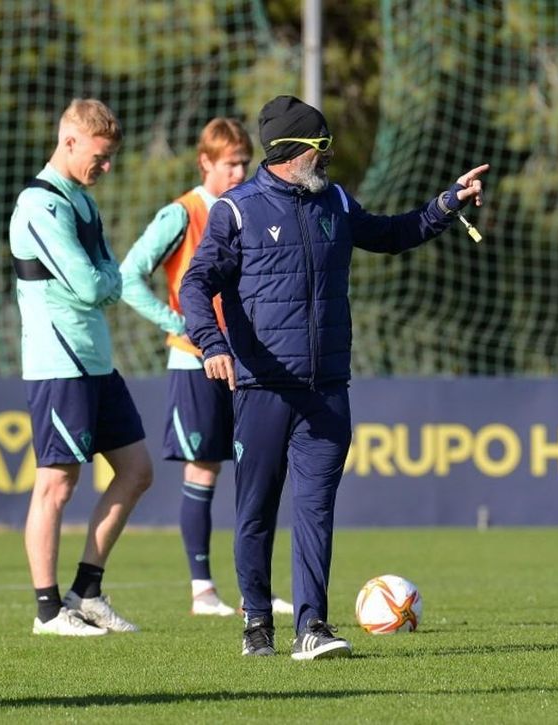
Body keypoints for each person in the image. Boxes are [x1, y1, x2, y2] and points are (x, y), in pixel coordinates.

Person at [180, 95, 488, 659]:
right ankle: (256, 626)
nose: (327, 158)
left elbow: (395, 233)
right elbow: (195, 285)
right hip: (262, 390)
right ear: (291, 151)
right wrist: (211, 344)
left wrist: (447, 204)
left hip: (327, 392)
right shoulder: (236, 210)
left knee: (316, 513)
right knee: (255, 514)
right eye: (320, 148)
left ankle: (312, 627)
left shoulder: (337, 202)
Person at [119, 118, 294, 618]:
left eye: (244, 161)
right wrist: (179, 323)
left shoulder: (252, 208)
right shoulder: (182, 214)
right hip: (196, 362)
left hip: (250, 359)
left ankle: (254, 591)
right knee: (204, 468)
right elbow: (129, 276)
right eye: (230, 163)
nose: (240, 171)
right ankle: (202, 590)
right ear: (206, 164)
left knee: (256, 470)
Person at [9, 98, 154, 636]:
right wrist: (105, 282)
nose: (107, 166)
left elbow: (109, 276)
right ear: (69, 141)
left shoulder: (84, 202)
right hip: (58, 362)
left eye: (111, 156)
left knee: (137, 471)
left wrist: (105, 282)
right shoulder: (38, 204)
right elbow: (94, 284)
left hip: (96, 360)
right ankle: (48, 612)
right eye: (101, 155)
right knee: (56, 484)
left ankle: (86, 591)